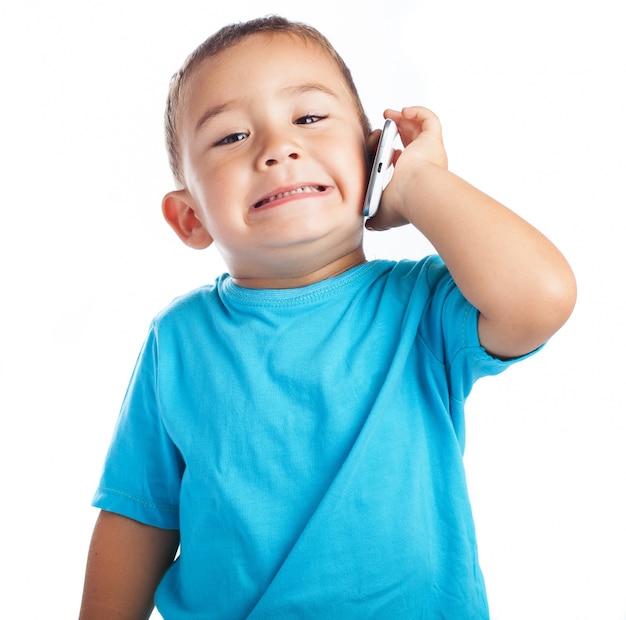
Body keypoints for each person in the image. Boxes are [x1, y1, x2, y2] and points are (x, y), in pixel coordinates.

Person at [79, 15, 576, 620]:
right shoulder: (177, 341)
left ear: (374, 158)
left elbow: (541, 297)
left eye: (309, 119)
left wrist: (419, 183)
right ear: (191, 218)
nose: (277, 148)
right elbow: (139, 514)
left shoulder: (417, 307)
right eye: (231, 137)